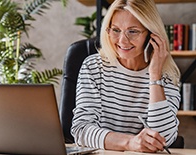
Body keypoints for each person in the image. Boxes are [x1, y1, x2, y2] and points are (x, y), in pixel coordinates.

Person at [71, 0, 181, 153]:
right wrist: (129, 142)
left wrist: (155, 75)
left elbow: (162, 140)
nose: (122, 40)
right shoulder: (93, 67)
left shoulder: (167, 75)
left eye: (133, 31)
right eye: (116, 30)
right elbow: (81, 130)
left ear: (151, 35)